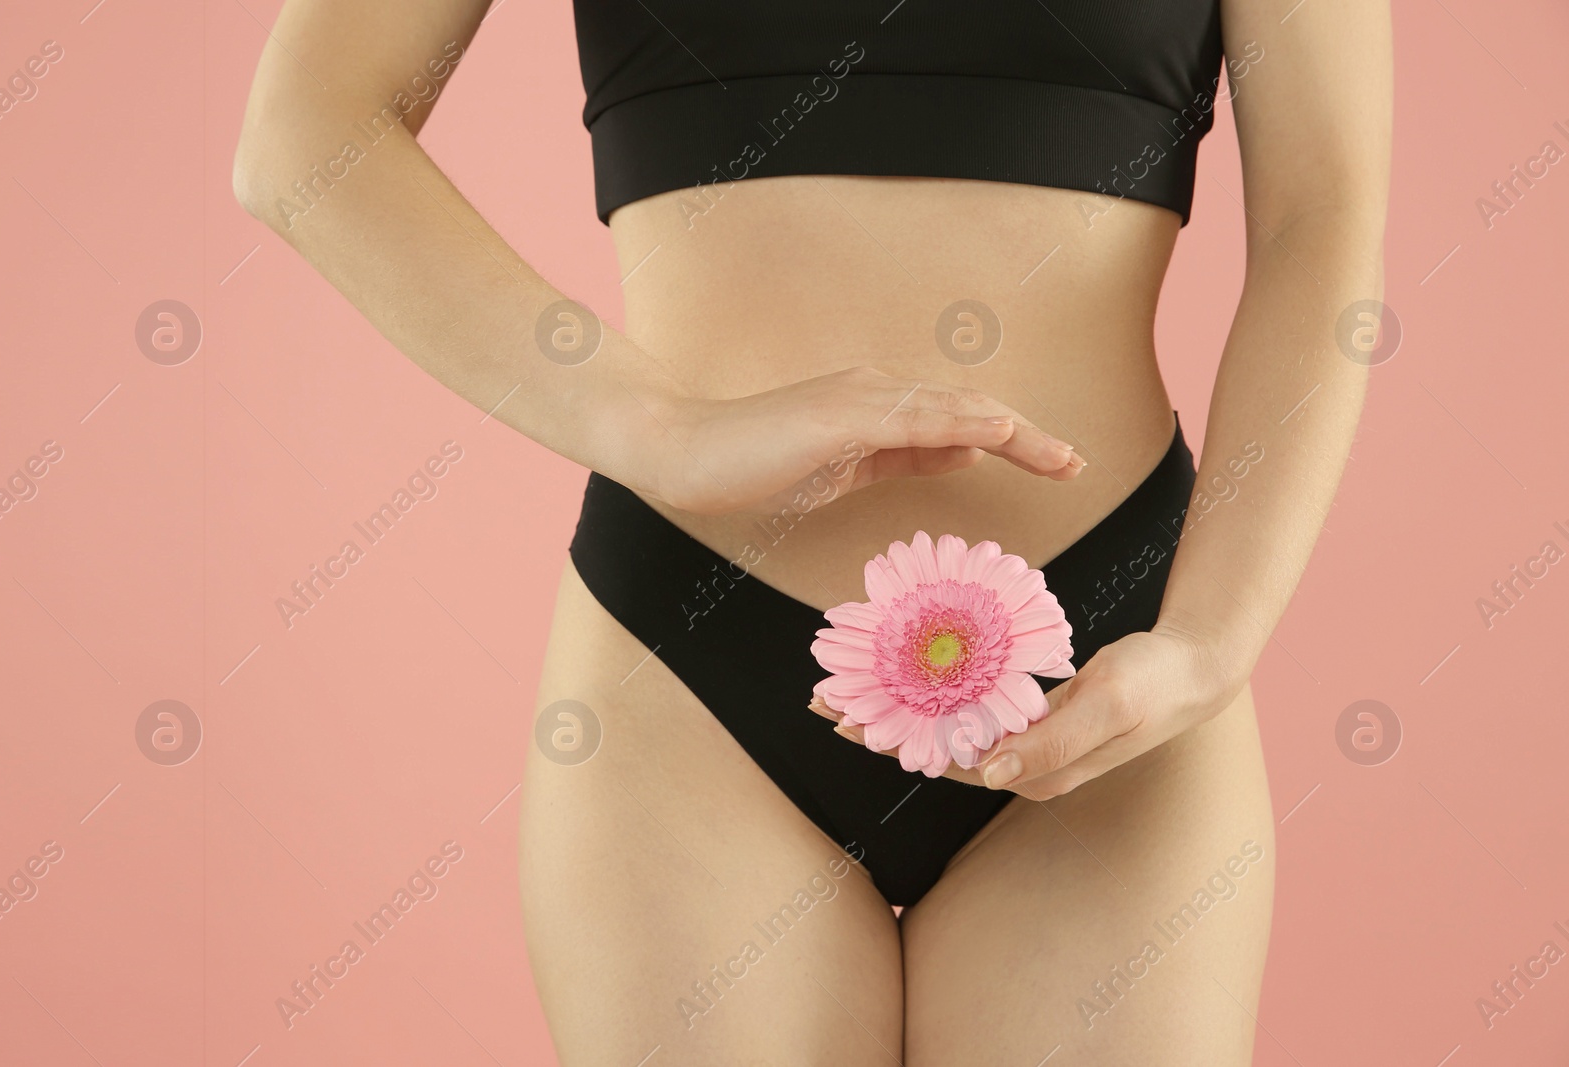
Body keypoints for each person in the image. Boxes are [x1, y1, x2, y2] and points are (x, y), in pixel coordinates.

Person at [234, 0, 1391, 1061]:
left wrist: (1209, 639)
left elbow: (1320, 217)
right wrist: (656, 425)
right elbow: (306, 128)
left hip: (1112, 654)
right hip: (689, 653)